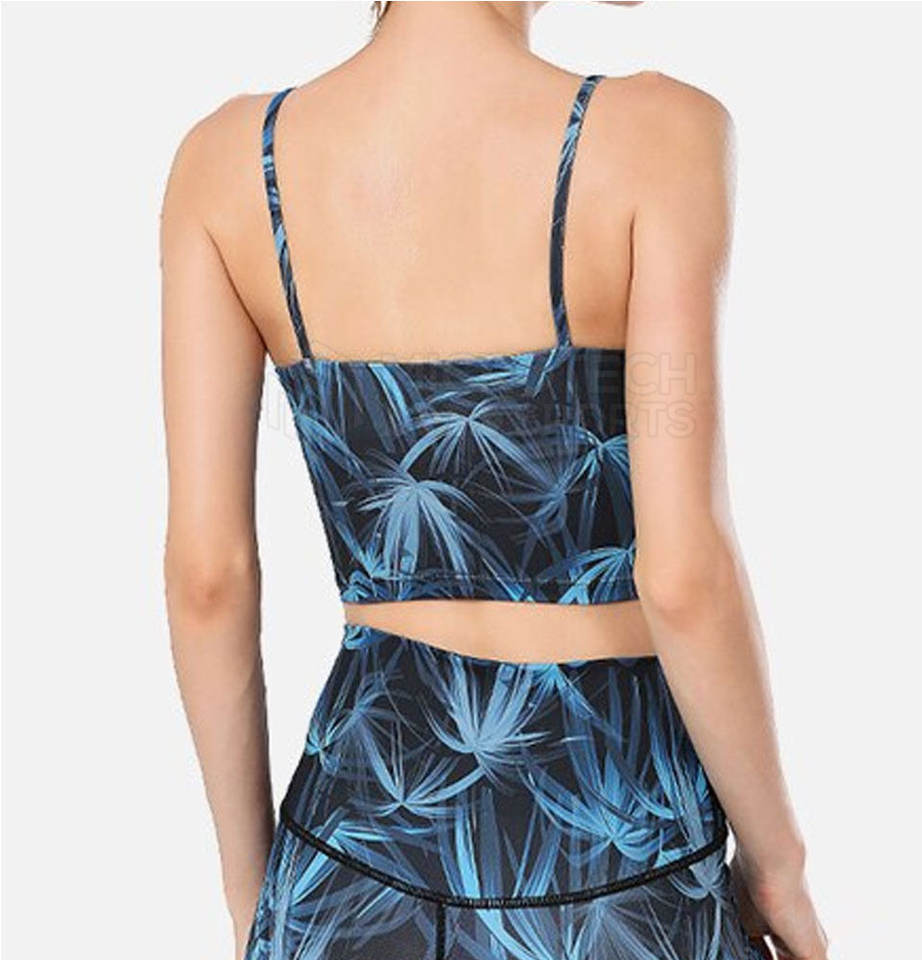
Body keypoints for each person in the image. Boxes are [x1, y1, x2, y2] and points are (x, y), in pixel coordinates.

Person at [161, 3, 828, 958]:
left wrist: (253, 895)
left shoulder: (225, 163)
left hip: (347, 852)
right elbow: (683, 577)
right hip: (619, 855)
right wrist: (779, 868)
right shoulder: (659, 138)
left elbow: (208, 578)